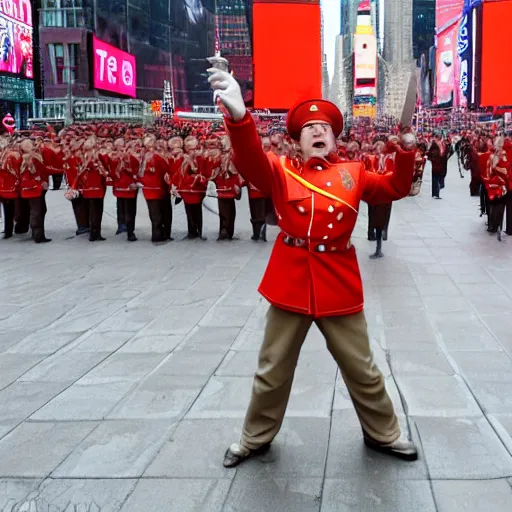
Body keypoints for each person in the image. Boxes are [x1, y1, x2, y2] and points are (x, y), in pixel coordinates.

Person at [208, 60, 418, 468]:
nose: (318, 132)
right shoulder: (282, 171)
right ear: (297, 142)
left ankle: (384, 434)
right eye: (309, 129)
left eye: (324, 129)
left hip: (337, 281)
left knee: (363, 369)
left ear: (334, 139)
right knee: (272, 370)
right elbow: (251, 161)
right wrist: (239, 117)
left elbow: (395, 186)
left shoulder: (354, 173)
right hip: (290, 281)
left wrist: (406, 150)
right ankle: (255, 438)